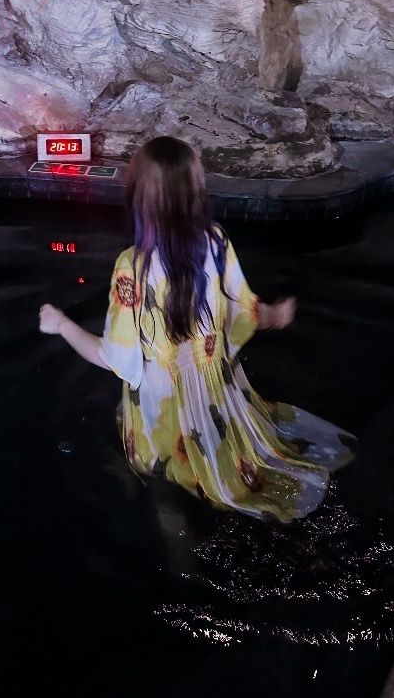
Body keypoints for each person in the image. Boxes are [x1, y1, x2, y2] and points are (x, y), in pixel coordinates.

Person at [39, 136, 356, 520]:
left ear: (139, 196)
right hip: (215, 392)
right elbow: (243, 314)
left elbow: (114, 358)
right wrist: (275, 314)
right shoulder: (216, 242)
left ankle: (176, 542)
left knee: (160, 475)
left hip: (162, 404)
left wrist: (62, 324)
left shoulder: (132, 267)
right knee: (227, 458)